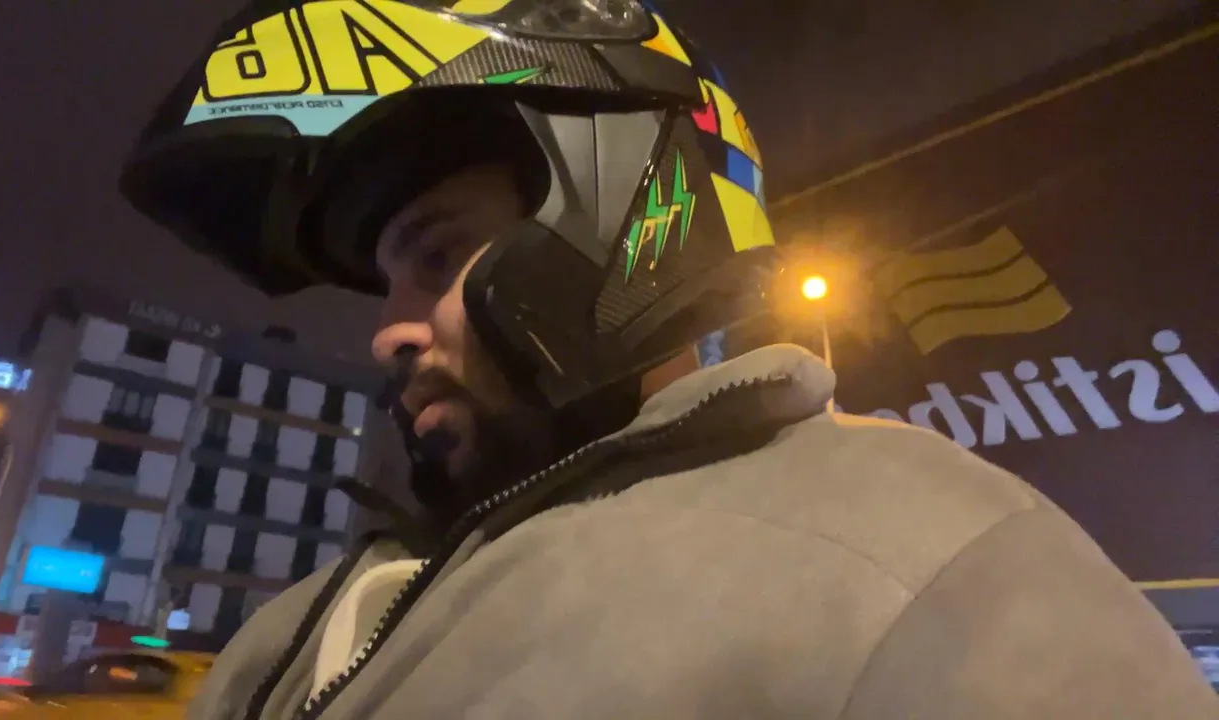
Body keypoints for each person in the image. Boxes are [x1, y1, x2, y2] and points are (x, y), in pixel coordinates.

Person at [120, 1, 1218, 717]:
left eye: (436, 256)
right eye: (386, 283)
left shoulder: (935, 561)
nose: (388, 331)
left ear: (613, 209)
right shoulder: (310, 615)